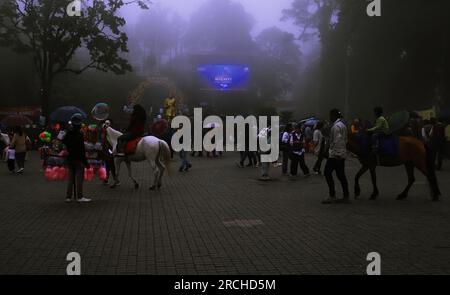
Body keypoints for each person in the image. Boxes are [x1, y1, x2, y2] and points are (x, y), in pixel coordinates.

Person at [322, 109, 350, 204]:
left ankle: (332, 195)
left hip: (335, 155)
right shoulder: (343, 126)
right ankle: (346, 196)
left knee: (327, 172)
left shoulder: (336, 127)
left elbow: (338, 141)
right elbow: (345, 140)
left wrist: (336, 154)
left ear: (333, 116)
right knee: (341, 175)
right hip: (341, 154)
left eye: (330, 116)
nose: (329, 118)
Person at [62, 114, 91, 203]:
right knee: (79, 179)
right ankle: (80, 196)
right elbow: (82, 150)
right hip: (78, 159)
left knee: (70, 178)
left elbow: (62, 142)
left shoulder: (67, 133)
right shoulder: (80, 134)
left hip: (69, 159)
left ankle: (68, 197)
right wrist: (86, 163)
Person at [100, 120, 116, 184]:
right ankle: (107, 177)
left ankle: (115, 178)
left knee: (111, 164)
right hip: (105, 150)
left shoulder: (111, 132)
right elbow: (103, 140)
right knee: (107, 164)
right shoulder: (104, 131)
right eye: (105, 124)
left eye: (107, 124)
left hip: (110, 150)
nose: (106, 125)